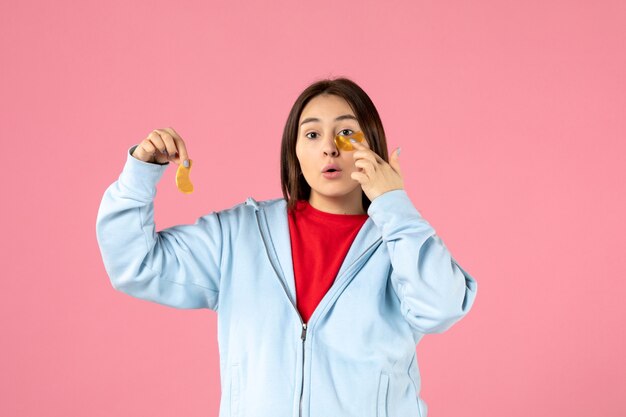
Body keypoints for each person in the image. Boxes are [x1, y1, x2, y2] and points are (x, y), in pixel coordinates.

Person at [96, 77, 478, 417]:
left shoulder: (399, 242)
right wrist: (140, 174)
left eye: (347, 133)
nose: (329, 148)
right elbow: (135, 265)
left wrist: (393, 204)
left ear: (372, 145)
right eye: (312, 135)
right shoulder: (239, 237)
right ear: (294, 150)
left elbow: (441, 307)